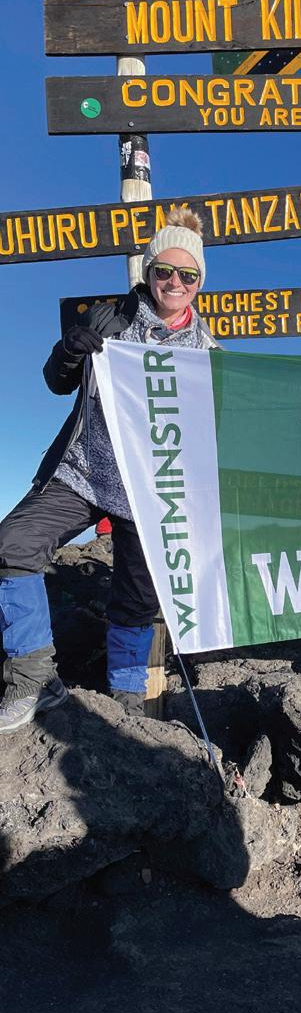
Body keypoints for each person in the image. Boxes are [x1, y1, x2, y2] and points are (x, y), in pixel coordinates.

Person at [0, 208, 212, 733]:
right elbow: (57, 381)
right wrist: (69, 350)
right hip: (83, 473)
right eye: (165, 271)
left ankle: (127, 697)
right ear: (149, 272)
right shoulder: (108, 318)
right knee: (13, 543)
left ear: (199, 282)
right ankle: (33, 678)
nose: (175, 283)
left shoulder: (208, 351)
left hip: (153, 491)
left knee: (137, 598)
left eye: (187, 275)